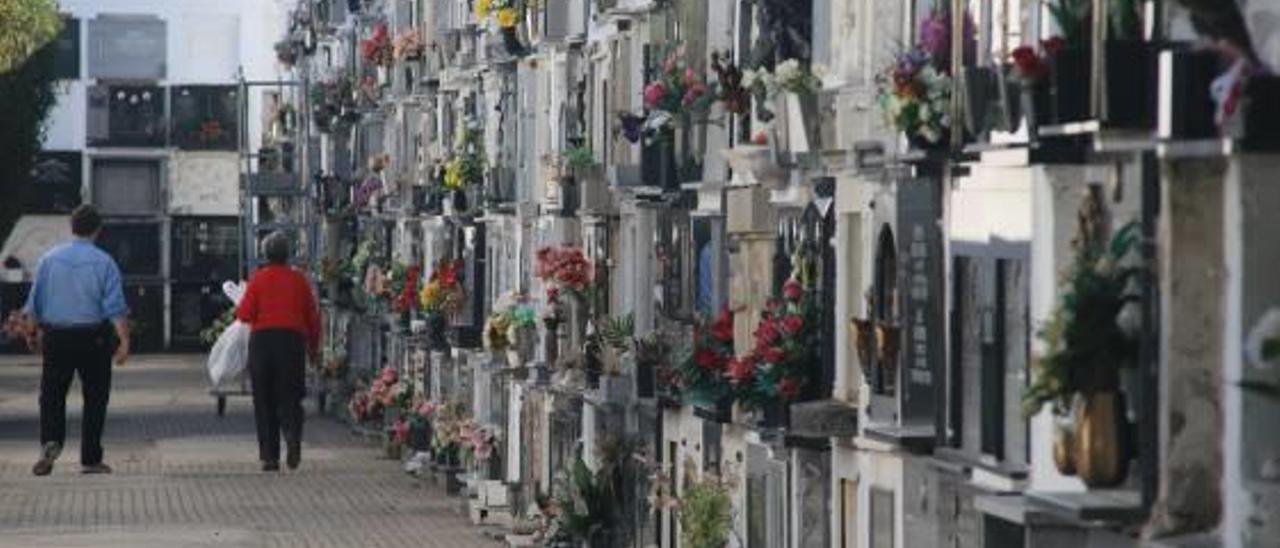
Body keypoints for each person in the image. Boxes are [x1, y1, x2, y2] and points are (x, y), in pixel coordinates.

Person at [24, 204, 130, 476]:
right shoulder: (104, 262)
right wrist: (124, 342)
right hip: (92, 337)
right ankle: (91, 458)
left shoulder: (49, 259)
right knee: (95, 397)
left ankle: (50, 443)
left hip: (57, 337)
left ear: (72, 227)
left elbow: (34, 303)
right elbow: (115, 307)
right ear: (98, 230)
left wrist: (32, 334)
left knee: (51, 394)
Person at [236, 232, 320, 472]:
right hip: (292, 342)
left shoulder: (258, 279)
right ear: (287, 254)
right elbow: (312, 318)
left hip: (262, 342)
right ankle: (293, 436)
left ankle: (269, 457)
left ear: (265, 255)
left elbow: (244, 314)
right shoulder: (299, 280)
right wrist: (313, 349)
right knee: (291, 396)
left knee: (264, 400)